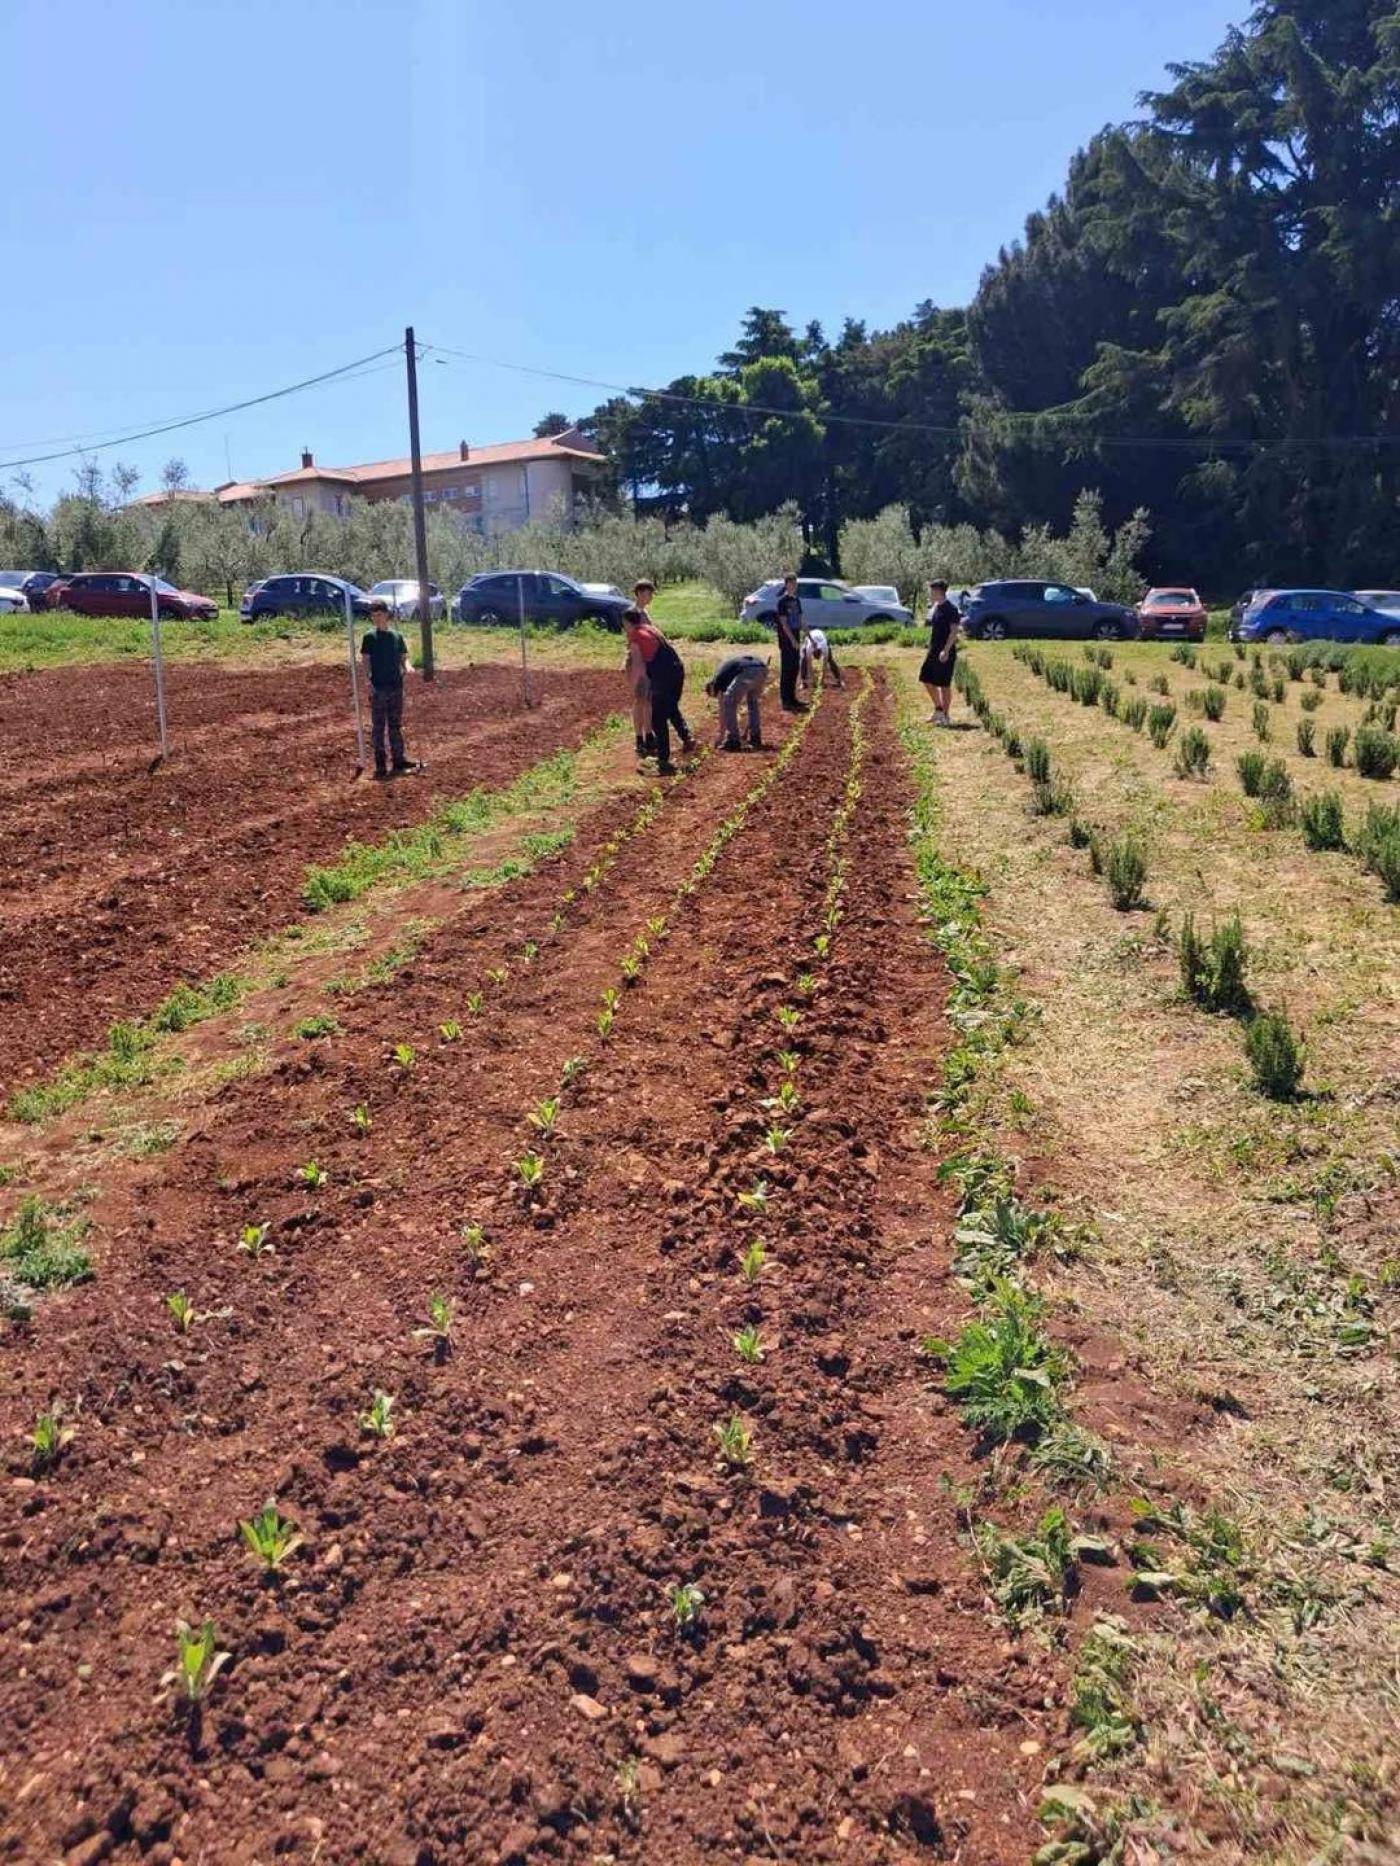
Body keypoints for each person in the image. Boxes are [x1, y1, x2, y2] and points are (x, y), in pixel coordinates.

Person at [622, 605, 693, 775]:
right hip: (677, 669)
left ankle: (663, 760)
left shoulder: (635, 636)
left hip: (664, 675)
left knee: (657, 717)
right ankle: (687, 738)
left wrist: (634, 685)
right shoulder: (650, 629)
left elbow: (638, 666)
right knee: (670, 707)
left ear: (626, 622)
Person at [360, 597, 420, 778]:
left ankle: (399, 760)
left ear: (386, 615)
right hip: (378, 688)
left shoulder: (396, 636)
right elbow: (366, 661)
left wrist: (408, 666)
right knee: (378, 728)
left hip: (396, 686)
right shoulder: (369, 637)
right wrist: (367, 682)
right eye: (374, 615)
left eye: (379, 614)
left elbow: (403, 658)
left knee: (395, 725)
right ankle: (380, 766)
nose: (377, 618)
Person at [706, 652, 769, 750]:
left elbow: (723, 710)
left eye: (714, 696)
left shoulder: (718, 682)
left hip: (747, 670)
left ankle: (733, 740)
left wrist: (721, 737)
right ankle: (755, 737)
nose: (717, 698)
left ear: (712, 688)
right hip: (762, 668)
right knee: (753, 703)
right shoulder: (725, 673)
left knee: (728, 702)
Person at [920, 579, 961, 727]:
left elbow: (954, 631)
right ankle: (938, 709)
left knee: (944, 684)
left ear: (939, 591)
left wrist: (946, 650)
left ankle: (946, 715)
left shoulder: (951, 609)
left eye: (932, 591)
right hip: (934, 649)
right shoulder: (936, 607)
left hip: (945, 651)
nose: (930, 594)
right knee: (926, 678)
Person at [774, 574, 805, 713]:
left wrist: (808, 634)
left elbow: (801, 619)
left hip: (796, 637)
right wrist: (792, 641)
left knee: (794, 668)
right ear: (786, 584)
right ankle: (785, 701)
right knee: (787, 669)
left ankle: (793, 698)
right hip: (786, 640)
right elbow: (784, 624)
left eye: (795, 584)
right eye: (791, 583)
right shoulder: (782, 602)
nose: (793, 586)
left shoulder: (796, 600)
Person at [800, 624, 843, 692]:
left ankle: (838, 680)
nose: (818, 657)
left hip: (821, 636)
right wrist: (813, 680)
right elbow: (809, 665)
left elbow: (824, 666)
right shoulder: (809, 648)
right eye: (816, 655)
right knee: (804, 659)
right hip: (809, 638)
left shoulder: (824, 648)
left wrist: (822, 681)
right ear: (813, 653)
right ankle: (803, 682)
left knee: (830, 659)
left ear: (821, 652)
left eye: (818, 655)